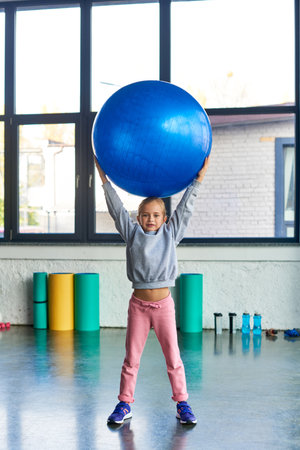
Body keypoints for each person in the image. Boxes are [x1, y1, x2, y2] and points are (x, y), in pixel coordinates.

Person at [95, 155, 210, 425]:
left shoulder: (172, 234)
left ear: (164, 218)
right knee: (131, 359)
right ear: (138, 217)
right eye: (145, 215)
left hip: (164, 307)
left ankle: (182, 404)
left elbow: (186, 208)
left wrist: (198, 180)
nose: (150, 219)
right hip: (138, 306)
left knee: (173, 358)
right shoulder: (131, 233)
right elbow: (116, 209)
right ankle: (124, 404)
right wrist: (104, 180)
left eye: (156, 215)